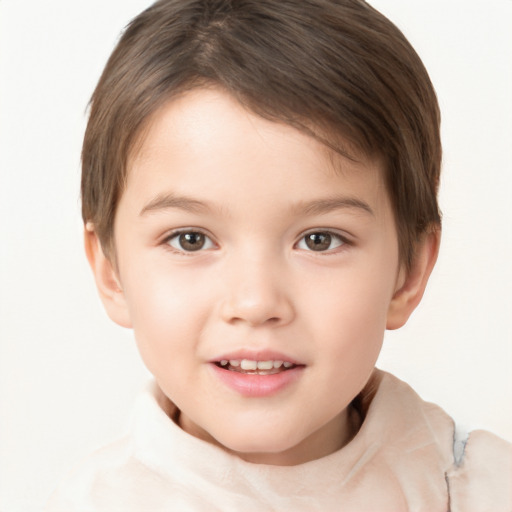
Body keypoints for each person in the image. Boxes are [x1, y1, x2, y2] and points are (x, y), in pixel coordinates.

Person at [45, 0, 511, 510]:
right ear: (111, 271)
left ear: (410, 271)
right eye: (191, 239)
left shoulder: (480, 490)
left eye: (319, 239)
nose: (255, 301)